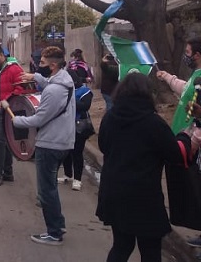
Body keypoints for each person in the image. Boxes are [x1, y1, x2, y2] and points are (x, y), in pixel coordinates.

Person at [96, 72, 196, 262]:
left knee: (121, 245)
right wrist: (183, 137)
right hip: (143, 197)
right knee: (150, 250)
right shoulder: (153, 122)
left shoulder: (110, 117)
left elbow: (102, 145)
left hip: (114, 191)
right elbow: (175, 154)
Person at [14, 46, 76, 246]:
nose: (38, 66)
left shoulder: (53, 90)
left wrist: (17, 122)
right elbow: (48, 81)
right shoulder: (65, 81)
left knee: (46, 190)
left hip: (50, 144)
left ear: (53, 65)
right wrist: (35, 77)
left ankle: (54, 232)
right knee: (50, 188)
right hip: (63, 141)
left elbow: (39, 119)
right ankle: (58, 223)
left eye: (41, 64)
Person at [0, 45, 25, 186]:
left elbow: (22, 87)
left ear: (2, 55)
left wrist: (7, 99)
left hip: (6, 110)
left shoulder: (14, 68)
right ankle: (8, 172)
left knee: (0, 142)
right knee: (5, 142)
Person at [58, 69, 94, 191]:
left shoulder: (85, 91)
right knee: (66, 152)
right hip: (65, 124)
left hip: (79, 126)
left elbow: (85, 106)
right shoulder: (62, 90)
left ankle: (77, 179)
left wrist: (69, 97)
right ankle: (67, 174)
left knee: (77, 153)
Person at [156, 37, 201, 134]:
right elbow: (185, 89)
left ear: (197, 55)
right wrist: (166, 77)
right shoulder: (196, 74)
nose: (185, 56)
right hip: (180, 134)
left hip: (191, 139)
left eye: (188, 52)